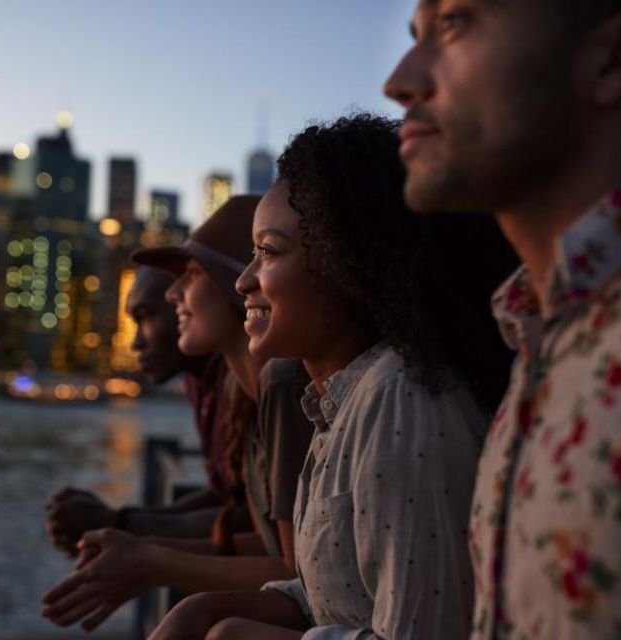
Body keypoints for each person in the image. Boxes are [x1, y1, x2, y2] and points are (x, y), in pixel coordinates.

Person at [148, 114, 517, 640]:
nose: (245, 280)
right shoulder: (339, 405)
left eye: (269, 253)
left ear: (347, 267)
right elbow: (342, 593)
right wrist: (209, 609)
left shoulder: (401, 403)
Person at [384, 2, 621, 637]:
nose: (399, 80)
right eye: (415, 35)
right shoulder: (536, 335)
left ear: (613, 57)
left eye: (455, 22)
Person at [41, 196, 312, 633]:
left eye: (189, 274)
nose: (173, 294)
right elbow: (263, 542)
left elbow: (295, 570)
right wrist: (138, 544)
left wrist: (148, 558)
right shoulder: (243, 394)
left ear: (237, 282)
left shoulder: (283, 388)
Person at [45, 266, 233, 554]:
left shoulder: (249, 385)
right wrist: (115, 523)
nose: (136, 342)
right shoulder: (200, 384)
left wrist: (119, 523)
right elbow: (226, 496)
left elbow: (255, 522)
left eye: (146, 316)